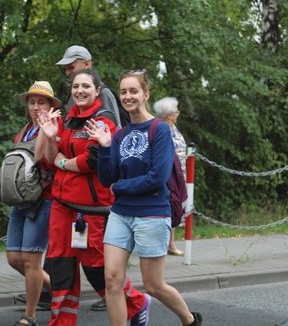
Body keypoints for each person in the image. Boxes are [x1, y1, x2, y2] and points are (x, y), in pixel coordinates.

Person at [37, 69, 150, 326]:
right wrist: (52, 138)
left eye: (86, 86)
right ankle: (61, 322)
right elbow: (50, 159)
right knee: (59, 267)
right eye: (76, 86)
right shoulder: (68, 119)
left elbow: (92, 161)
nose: (79, 90)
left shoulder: (102, 120)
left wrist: (64, 163)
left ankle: (136, 304)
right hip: (62, 207)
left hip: (90, 210)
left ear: (97, 90)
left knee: (97, 268)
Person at [89, 70, 202, 326]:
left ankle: (189, 319)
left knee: (153, 285)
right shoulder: (119, 134)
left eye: (133, 91)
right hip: (120, 214)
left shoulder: (160, 130)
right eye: (123, 92)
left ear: (145, 94)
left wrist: (121, 187)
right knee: (112, 280)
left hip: (151, 213)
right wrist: (105, 148)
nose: (128, 96)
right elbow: (107, 179)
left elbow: (157, 178)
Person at [6, 81, 61, 326]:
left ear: (50, 105)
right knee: (14, 258)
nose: (36, 106)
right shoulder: (25, 129)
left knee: (31, 261)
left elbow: (40, 157)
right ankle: (59, 290)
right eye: (32, 102)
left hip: (43, 200)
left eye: (41, 102)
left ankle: (30, 315)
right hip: (21, 200)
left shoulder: (51, 126)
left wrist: (45, 127)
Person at [56, 45, 130, 129]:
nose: (67, 73)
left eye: (71, 67)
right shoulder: (75, 93)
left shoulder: (104, 92)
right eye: (65, 69)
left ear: (86, 64)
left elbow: (116, 127)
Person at [153, 96, 187, 256]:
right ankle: (168, 245)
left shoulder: (172, 128)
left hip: (178, 175)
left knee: (174, 208)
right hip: (169, 176)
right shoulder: (163, 129)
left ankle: (170, 244)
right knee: (170, 207)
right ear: (168, 115)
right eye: (176, 111)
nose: (178, 113)